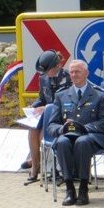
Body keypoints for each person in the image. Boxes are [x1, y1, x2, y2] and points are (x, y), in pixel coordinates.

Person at [44, 60, 104, 206]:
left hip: (91, 136)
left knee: (82, 142)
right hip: (68, 135)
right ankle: (69, 188)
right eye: (72, 72)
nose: (74, 75)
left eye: (78, 72)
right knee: (62, 142)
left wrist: (83, 127)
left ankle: (83, 188)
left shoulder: (99, 95)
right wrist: (62, 129)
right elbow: (51, 125)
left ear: (86, 73)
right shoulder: (61, 95)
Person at [23, 49, 68, 184]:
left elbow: (68, 100)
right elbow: (42, 98)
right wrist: (33, 107)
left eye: (49, 70)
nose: (47, 74)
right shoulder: (43, 78)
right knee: (32, 130)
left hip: (61, 116)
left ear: (58, 65)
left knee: (44, 134)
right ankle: (35, 166)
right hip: (46, 115)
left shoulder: (68, 77)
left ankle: (45, 165)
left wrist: (48, 107)